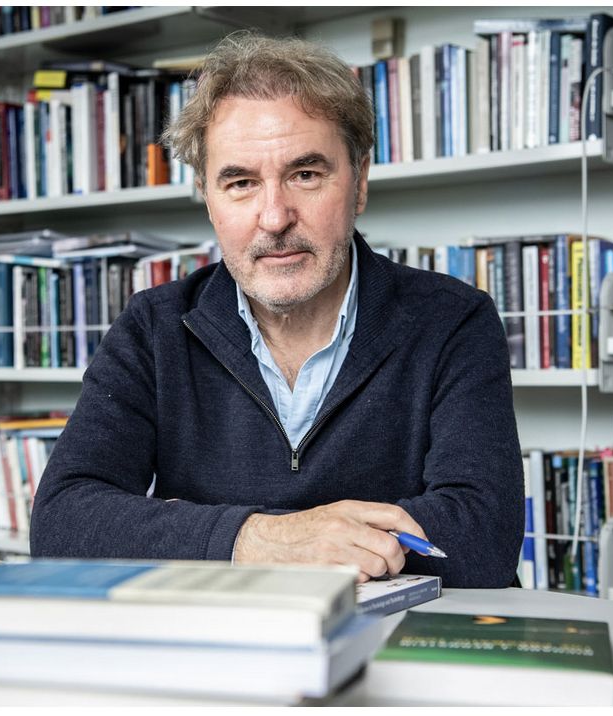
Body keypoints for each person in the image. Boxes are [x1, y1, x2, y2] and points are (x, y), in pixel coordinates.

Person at [30, 32, 523, 588]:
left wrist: (187, 533)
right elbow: (63, 521)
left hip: (395, 650)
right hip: (223, 648)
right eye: (240, 183)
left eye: (305, 175)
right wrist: (264, 539)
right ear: (209, 199)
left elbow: (483, 538)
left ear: (358, 183)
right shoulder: (153, 326)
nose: (274, 217)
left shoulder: (453, 320)